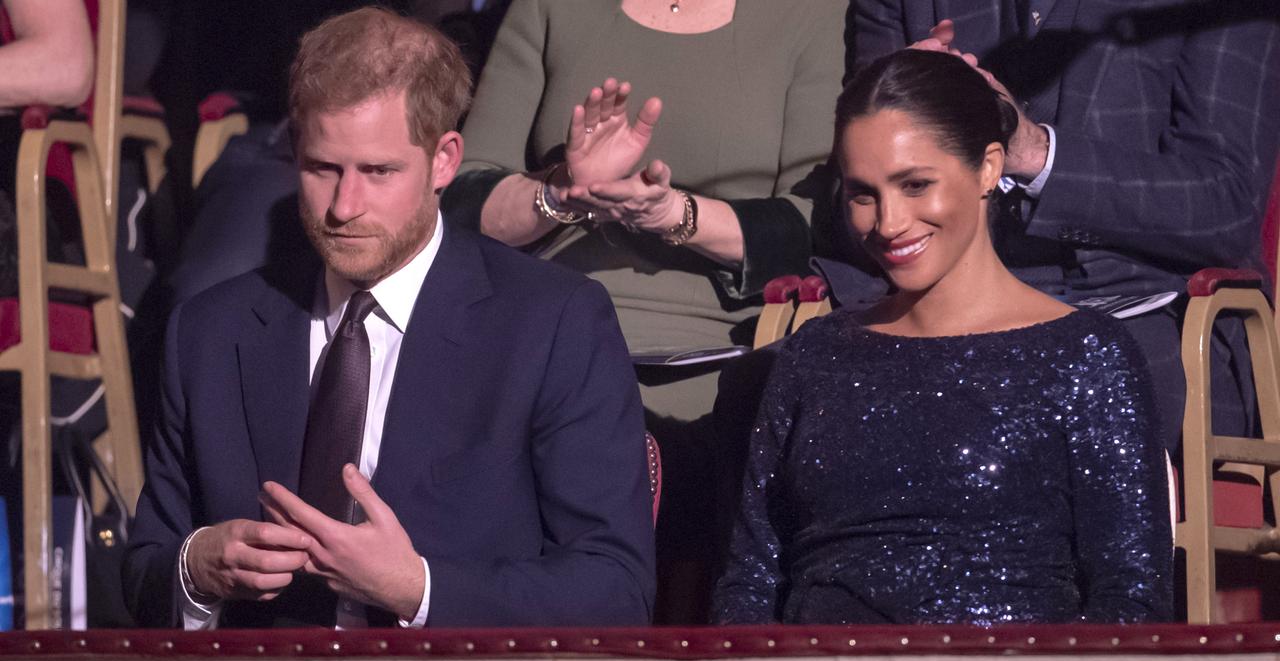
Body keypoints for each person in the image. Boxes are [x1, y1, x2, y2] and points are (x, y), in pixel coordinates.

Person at [123, 8, 655, 629]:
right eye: (323, 169)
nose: (344, 207)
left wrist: (419, 590)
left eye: (378, 172)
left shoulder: (553, 324)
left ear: (444, 162)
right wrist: (197, 569)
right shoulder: (211, 331)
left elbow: (614, 592)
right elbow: (144, 574)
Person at [713, 50, 1173, 625]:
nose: (888, 222)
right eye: (862, 193)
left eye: (914, 184)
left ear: (987, 168)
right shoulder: (816, 353)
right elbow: (751, 583)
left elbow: (1129, 603)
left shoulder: (1087, 357)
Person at [441, 0, 844, 622]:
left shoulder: (812, 16)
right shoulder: (549, 8)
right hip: (547, 332)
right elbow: (464, 193)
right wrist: (563, 193)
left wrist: (670, 215)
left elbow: (814, 222)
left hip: (720, 350)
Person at [840, 2, 1280, 452]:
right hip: (935, 307)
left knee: (986, 405)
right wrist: (890, 125)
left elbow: (1228, 207)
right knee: (785, 383)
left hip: (1144, 313)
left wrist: (1034, 152)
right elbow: (857, 207)